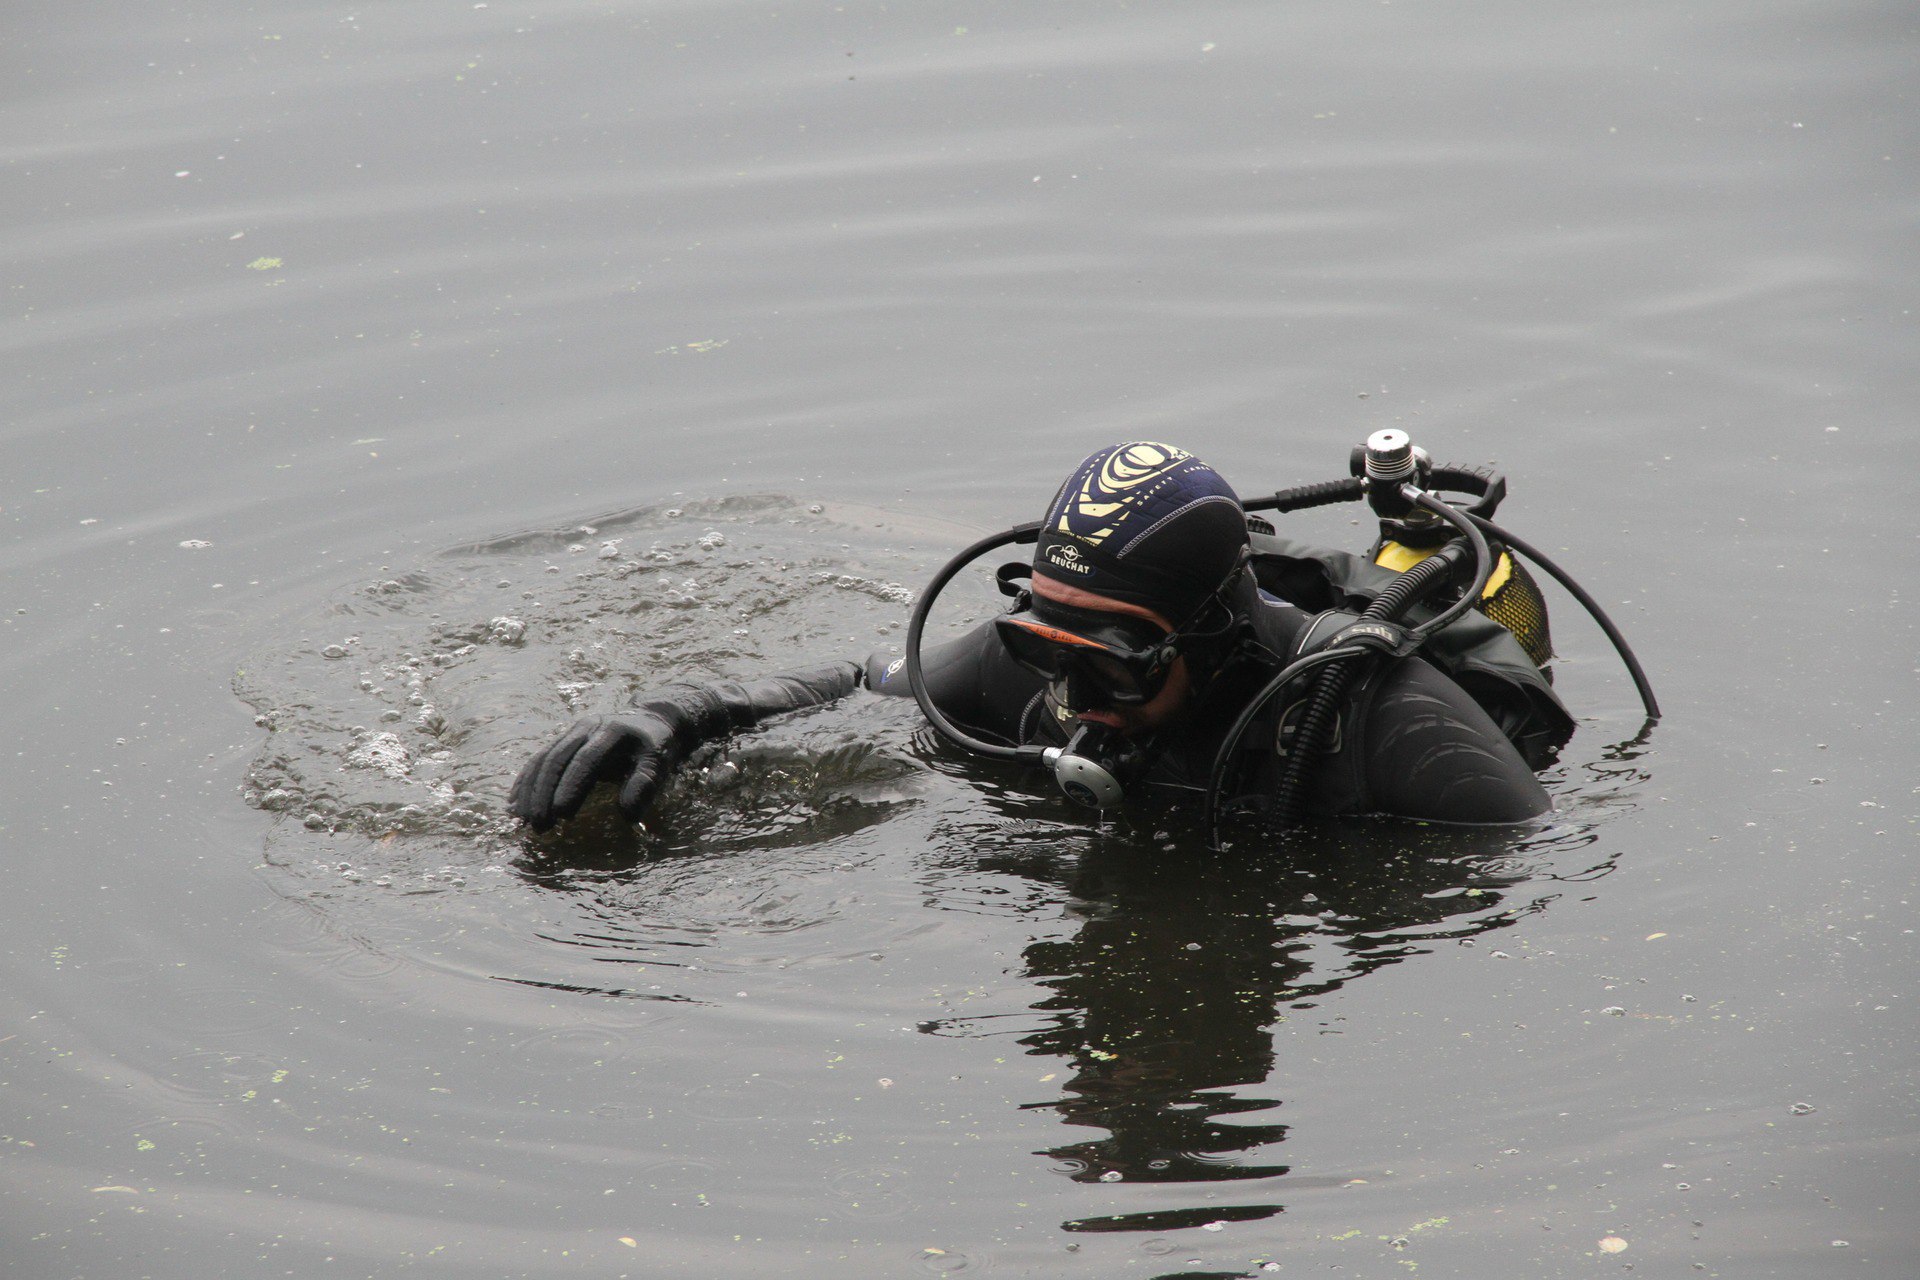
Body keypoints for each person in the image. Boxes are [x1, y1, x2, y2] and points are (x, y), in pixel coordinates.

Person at [508, 442, 1574, 833]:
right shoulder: (1047, 664)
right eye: (1044, 646)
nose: (1073, 693)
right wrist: (684, 711)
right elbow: (856, 681)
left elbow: (1537, 862)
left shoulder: (1392, 732)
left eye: (1111, 659)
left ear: (1212, 632)